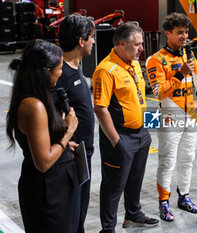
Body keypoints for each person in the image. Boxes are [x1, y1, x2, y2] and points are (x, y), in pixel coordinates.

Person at [6, 39, 79, 232]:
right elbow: (44, 161)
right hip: (47, 191)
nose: (61, 72)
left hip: (54, 185)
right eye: (59, 68)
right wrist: (68, 133)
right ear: (46, 71)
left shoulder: (37, 97)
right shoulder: (34, 106)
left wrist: (61, 144)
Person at [92, 22, 159, 232]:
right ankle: (108, 228)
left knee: (135, 179)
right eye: (137, 44)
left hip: (141, 134)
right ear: (122, 43)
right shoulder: (105, 70)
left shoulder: (133, 62)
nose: (142, 48)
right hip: (120, 137)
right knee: (113, 186)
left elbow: (139, 99)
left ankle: (133, 214)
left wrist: (148, 129)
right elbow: (100, 109)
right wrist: (116, 141)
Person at [146, 12, 197, 222]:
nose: (184, 36)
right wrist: (180, 73)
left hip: (191, 114)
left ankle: (184, 197)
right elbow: (159, 92)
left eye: (186, 32)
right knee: (167, 160)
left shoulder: (188, 56)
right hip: (171, 116)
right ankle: (164, 202)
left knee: (188, 158)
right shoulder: (156, 60)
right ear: (168, 33)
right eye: (180, 32)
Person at [50, 14, 95, 233]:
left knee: (81, 209)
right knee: (72, 210)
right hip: (71, 156)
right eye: (92, 37)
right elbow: (50, 117)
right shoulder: (60, 73)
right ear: (81, 41)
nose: (94, 42)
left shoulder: (77, 67)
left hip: (85, 153)